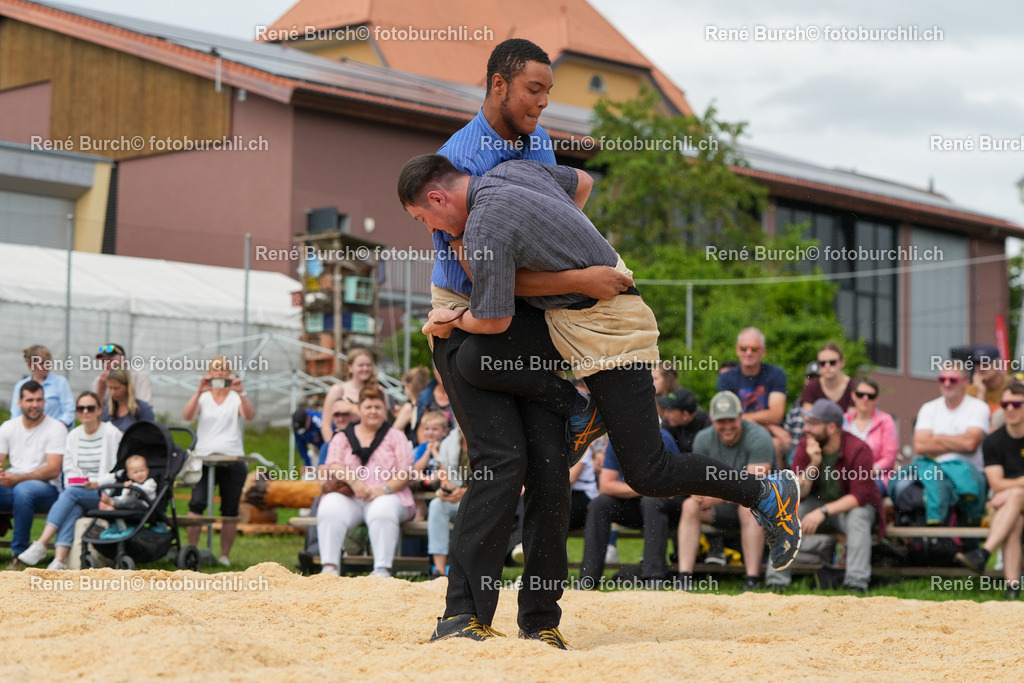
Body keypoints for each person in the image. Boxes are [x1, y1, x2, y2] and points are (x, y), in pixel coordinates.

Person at [400, 156, 802, 620]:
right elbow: (582, 184)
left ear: (436, 197)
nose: (429, 229)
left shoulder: (483, 226)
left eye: (423, 219)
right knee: (478, 360)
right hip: (575, 322)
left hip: (611, 329)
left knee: (648, 470)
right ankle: (578, 409)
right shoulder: (511, 173)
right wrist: (572, 257)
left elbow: (493, 317)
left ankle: (765, 494)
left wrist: (451, 318)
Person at [421, 39, 631, 648]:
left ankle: (541, 623)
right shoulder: (461, 158)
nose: (543, 103)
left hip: (527, 319)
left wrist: (573, 274)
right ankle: (463, 616)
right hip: (471, 313)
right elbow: (491, 273)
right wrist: (582, 280)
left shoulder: (537, 143)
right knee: (499, 465)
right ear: (497, 85)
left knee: (549, 473)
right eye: (533, 90)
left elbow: (569, 199)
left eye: (548, 91)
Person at [767, 399, 883, 594]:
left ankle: (856, 584)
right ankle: (775, 582)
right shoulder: (806, 446)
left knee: (859, 517)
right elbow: (798, 492)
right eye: (806, 422)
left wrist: (822, 512)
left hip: (849, 509)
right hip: (816, 505)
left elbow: (859, 497)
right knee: (787, 514)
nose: (806, 429)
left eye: (813, 423)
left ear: (831, 427)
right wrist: (813, 463)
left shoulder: (859, 449)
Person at [677, 392, 772, 592]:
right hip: (721, 507)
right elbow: (698, 481)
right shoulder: (703, 439)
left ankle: (752, 579)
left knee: (748, 508)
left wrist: (717, 495)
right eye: (721, 421)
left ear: (741, 416)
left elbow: (753, 486)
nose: (727, 425)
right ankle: (684, 576)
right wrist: (699, 494)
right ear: (712, 420)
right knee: (689, 505)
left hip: (759, 506)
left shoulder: (760, 437)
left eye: (731, 419)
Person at [16, 391, 122, 570]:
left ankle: (42, 543)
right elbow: (69, 472)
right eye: (81, 408)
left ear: (99, 410)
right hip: (80, 491)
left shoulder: (112, 434)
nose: (85, 412)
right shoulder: (73, 436)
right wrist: (82, 482)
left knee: (71, 495)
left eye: (90, 408)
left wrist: (97, 483)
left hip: (106, 492)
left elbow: (119, 472)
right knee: (73, 504)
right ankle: (59, 560)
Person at [317, 386, 415, 578]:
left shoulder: (396, 436)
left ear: (385, 410)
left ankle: (382, 569)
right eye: (368, 406)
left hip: (388, 495)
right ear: (359, 409)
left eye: (378, 407)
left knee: (382, 510)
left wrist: (384, 489)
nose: (373, 411)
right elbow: (333, 465)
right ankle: (329, 568)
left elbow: (406, 472)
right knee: (329, 506)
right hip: (352, 496)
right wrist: (354, 482)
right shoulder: (343, 436)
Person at [578, 431, 682, 589]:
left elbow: (671, 486)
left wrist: (644, 489)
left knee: (651, 501)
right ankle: (588, 579)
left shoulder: (663, 439)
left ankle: (653, 578)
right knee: (599, 504)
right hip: (635, 502)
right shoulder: (617, 440)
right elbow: (606, 485)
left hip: (666, 506)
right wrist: (644, 488)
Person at [955, 382, 1024, 599]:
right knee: (1016, 519)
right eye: (1005, 404)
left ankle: (984, 552)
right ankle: (1012, 587)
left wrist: (1010, 489)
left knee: (1015, 495)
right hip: (1007, 506)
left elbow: (1002, 485)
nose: (1010, 409)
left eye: (1016, 404)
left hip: (1004, 502)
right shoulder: (993, 441)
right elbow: (996, 485)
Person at [183, 355, 253, 566]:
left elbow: (249, 416)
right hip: (204, 456)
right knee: (197, 503)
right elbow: (187, 416)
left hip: (232, 456)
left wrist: (241, 392)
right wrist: (198, 391)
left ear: (230, 373)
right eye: (216, 369)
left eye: (224, 369)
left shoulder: (235, 397)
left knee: (230, 509)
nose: (221, 373)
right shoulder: (203, 397)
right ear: (209, 372)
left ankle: (224, 556)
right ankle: (191, 551)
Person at [904, 364, 990, 525]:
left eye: (953, 379)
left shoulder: (979, 407)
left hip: (968, 476)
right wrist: (958, 440)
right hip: (932, 473)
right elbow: (920, 446)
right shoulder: (929, 408)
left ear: (965, 382)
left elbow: (970, 443)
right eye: (942, 379)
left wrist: (937, 437)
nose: (947, 384)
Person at [0, 381, 67, 564]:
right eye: (30, 400)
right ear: (19, 402)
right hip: (11, 485)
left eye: (39, 400)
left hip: (47, 489)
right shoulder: (8, 427)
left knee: (24, 491)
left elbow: (53, 470)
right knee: (20, 491)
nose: (35, 405)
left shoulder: (56, 428)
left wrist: (17, 479)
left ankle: (19, 553)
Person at [717, 329, 790, 467]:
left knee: (775, 445)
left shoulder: (776, 374)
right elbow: (727, 416)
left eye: (754, 349)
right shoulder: (726, 378)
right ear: (737, 350)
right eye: (744, 348)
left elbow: (776, 415)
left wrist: (742, 418)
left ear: (763, 351)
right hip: (737, 432)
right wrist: (770, 426)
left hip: (769, 436)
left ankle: (777, 487)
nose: (748, 353)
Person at [843, 377, 898, 493]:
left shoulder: (886, 421)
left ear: (876, 398)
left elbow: (890, 456)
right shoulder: (844, 420)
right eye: (860, 394)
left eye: (870, 396)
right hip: (845, 476)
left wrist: (869, 471)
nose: (865, 399)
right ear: (853, 395)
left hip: (877, 477)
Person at [427, 425, 468, 578]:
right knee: (437, 505)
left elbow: (492, 480)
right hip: (456, 496)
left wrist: (465, 492)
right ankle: (439, 571)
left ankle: (468, 571)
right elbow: (445, 477)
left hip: (482, 499)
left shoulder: (487, 440)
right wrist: (445, 492)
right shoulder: (448, 442)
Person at [319, 349, 386, 442]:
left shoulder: (378, 391)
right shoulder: (338, 390)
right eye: (361, 365)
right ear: (350, 368)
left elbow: (383, 421)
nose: (365, 368)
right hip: (344, 443)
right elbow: (326, 425)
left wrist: (351, 408)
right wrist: (332, 446)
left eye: (368, 365)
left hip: (371, 443)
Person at [10, 345, 74, 428]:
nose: (47, 366)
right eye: (42, 363)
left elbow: (69, 411)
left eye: (48, 362)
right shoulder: (20, 386)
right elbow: (16, 415)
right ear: (30, 365)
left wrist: (58, 428)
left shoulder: (60, 382)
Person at [98, 454, 157, 533]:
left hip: (143, 506)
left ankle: (112, 503)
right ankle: (111, 504)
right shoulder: (129, 485)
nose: (140, 474)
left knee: (131, 500)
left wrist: (132, 486)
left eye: (142, 470)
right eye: (135, 472)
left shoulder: (150, 482)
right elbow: (124, 497)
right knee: (121, 499)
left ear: (147, 470)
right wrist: (118, 497)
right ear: (129, 475)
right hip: (127, 505)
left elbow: (145, 490)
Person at [781, 362, 820, 466]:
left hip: (815, 455)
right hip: (793, 454)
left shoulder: (825, 406)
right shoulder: (796, 404)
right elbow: (787, 430)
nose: (813, 382)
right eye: (810, 378)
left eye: (817, 379)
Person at [802, 342, 855, 411]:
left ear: (842, 363)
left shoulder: (854, 387)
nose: (827, 366)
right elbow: (808, 418)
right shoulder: (810, 388)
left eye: (832, 362)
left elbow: (854, 419)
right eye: (822, 363)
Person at [967, 344, 1009, 430]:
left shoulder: (1011, 384)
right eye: (977, 364)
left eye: (985, 363)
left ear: (998, 365)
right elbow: (974, 424)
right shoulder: (971, 390)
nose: (981, 368)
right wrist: (980, 393)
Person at [657, 389, 711, 453]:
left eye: (670, 411)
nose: (665, 415)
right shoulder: (669, 424)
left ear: (685, 415)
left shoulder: (708, 426)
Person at [392, 366, 432, 442]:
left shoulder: (410, 407)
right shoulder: (430, 404)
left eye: (404, 386)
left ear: (410, 386)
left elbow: (393, 433)